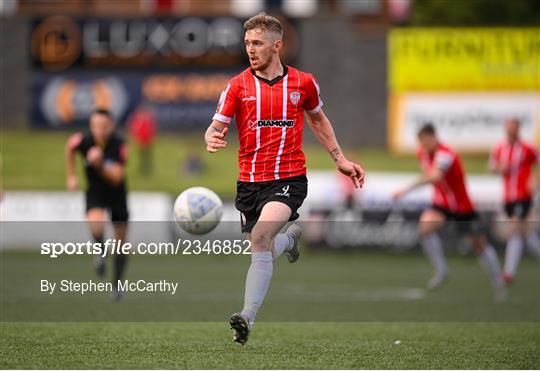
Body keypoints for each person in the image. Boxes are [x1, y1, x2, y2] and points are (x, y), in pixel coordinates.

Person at [204, 13, 365, 345]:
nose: (250, 49)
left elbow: (318, 120)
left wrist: (340, 159)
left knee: (260, 237)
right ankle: (290, 241)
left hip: (288, 177)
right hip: (249, 183)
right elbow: (216, 125)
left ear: (277, 45)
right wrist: (211, 137)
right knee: (260, 245)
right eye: (247, 43)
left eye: (257, 43)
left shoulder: (303, 83)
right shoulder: (237, 86)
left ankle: (245, 318)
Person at [393, 123, 506, 300]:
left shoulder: (446, 153)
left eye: (425, 141)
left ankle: (498, 283)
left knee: (479, 245)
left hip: (462, 207)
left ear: (433, 137)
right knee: (424, 229)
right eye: (420, 142)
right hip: (442, 204)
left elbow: (436, 176)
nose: (423, 145)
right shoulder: (422, 153)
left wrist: (406, 190)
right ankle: (442, 269)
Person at [65, 108, 129, 300]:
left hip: (117, 195)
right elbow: (70, 146)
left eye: (103, 126)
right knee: (96, 224)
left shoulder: (120, 145)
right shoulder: (83, 141)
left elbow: (117, 178)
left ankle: (117, 285)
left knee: (121, 245)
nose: (99, 130)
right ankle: (100, 253)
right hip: (95, 193)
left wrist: (99, 165)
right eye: (95, 126)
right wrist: (71, 176)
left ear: (111, 126)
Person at [489, 118, 540, 284]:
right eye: (509, 129)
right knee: (526, 235)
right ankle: (509, 272)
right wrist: (498, 169)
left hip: (523, 196)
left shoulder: (527, 148)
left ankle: (509, 273)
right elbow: (491, 167)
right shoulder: (500, 148)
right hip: (508, 198)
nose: (511, 132)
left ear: (518, 130)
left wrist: (535, 179)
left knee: (514, 230)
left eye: (514, 129)